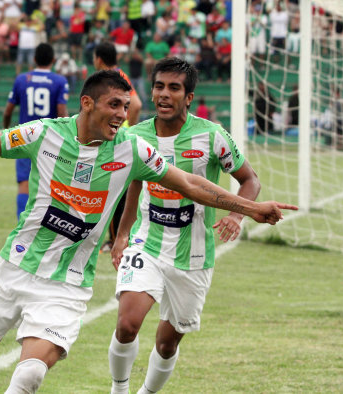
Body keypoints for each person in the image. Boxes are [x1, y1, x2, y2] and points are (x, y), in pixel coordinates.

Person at [0, 70, 296, 393]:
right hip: (12, 268)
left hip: (66, 285)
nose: (123, 115)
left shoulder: (131, 150)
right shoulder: (43, 134)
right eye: (114, 106)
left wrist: (249, 207)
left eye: (126, 106)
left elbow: (192, 183)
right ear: (88, 104)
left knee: (27, 375)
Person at [107, 57, 261, 394]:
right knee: (128, 324)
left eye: (174, 88)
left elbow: (250, 180)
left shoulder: (212, 136)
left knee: (166, 344)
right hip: (146, 242)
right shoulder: (135, 136)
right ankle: (119, 389)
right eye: (159, 86)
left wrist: (236, 216)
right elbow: (133, 185)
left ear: (188, 97)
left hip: (193, 255)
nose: (164, 94)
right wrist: (121, 237)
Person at [3, 43, 69, 220]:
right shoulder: (59, 81)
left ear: (34, 59)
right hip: (50, 138)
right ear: (53, 60)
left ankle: (21, 222)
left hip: (25, 137)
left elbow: (8, 111)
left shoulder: (21, 79)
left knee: (24, 182)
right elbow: (62, 113)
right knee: (52, 182)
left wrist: (6, 130)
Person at [93, 41, 142, 251]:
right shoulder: (121, 75)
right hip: (119, 134)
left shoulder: (109, 79)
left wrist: (126, 129)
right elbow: (136, 105)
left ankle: (115, 240)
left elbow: (137, 104)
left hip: (114, 137)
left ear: (99, 60)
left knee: (113, 188)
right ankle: (115, 237)